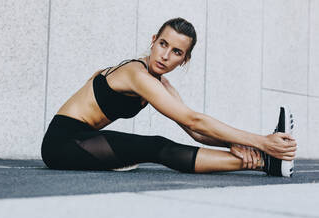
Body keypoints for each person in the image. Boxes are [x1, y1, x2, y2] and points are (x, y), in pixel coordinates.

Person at [41, 17, 297, 177]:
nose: (165, 55)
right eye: (163, 44)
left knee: (157, 146)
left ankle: (264, 161)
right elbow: (194, 120)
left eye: (176, 52)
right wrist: (262, 141)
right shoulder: (136, 74)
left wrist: (235, 144)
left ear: (184, 59)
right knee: (156, 146)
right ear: (153, 41)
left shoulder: (161, 84)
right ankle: (265, 162)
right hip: (62, 143)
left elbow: (193, 129)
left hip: (85, 139)